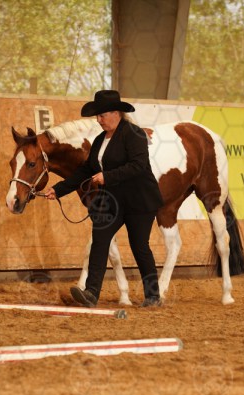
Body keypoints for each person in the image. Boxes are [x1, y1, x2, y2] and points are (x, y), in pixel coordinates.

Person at [45, 90, 164, 308]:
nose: (98, 120)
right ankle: (91, 293)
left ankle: (153, 295)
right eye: (97, 116)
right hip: (112, 201)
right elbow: (86, 170)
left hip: (140, 200)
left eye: (102, 115)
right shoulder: (100, 139)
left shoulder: (134, 134)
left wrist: (107, 176)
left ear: (116, 113)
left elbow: (138, 166)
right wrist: (59, 189)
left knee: (139, 246)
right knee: (100, 240)